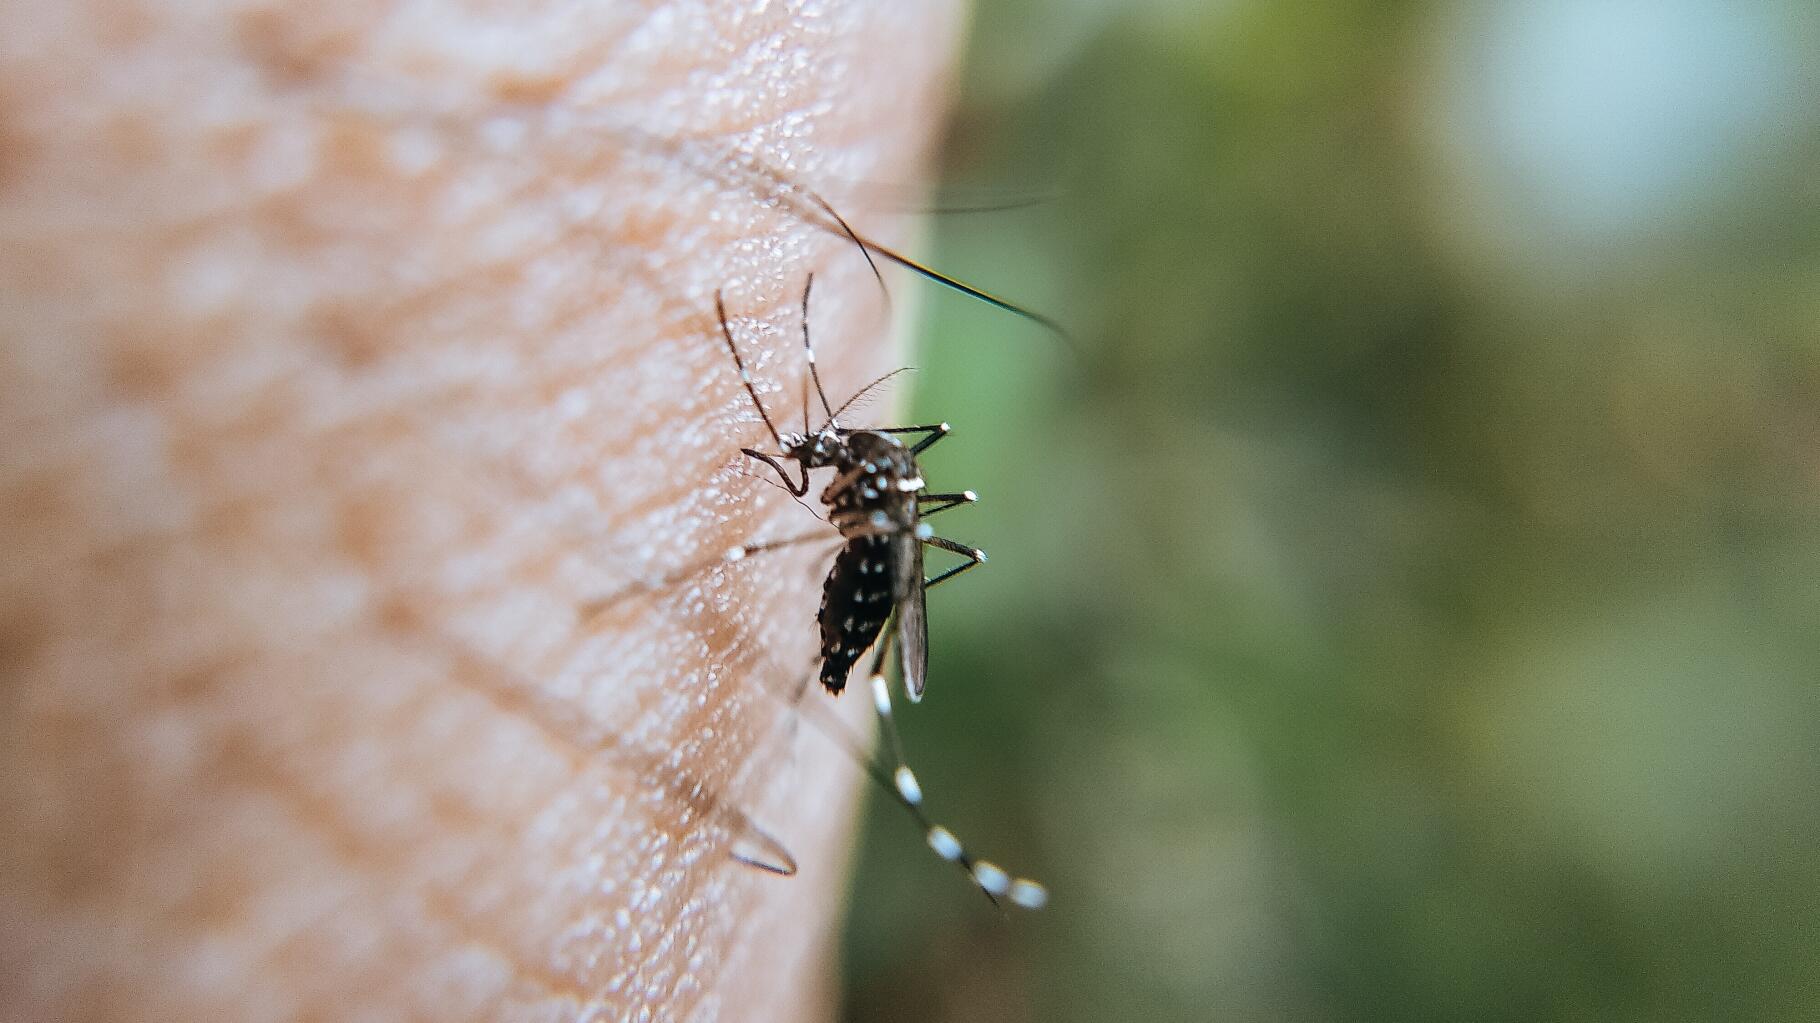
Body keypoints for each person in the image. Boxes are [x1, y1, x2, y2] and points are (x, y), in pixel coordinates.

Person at [0, 3, 962, 1019]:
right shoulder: (870, 473)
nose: (819, 453)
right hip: (869, 561)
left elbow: (824, 499)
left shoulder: (864, 504)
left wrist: (762, 509)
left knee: (839, 542)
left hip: (865, 575)